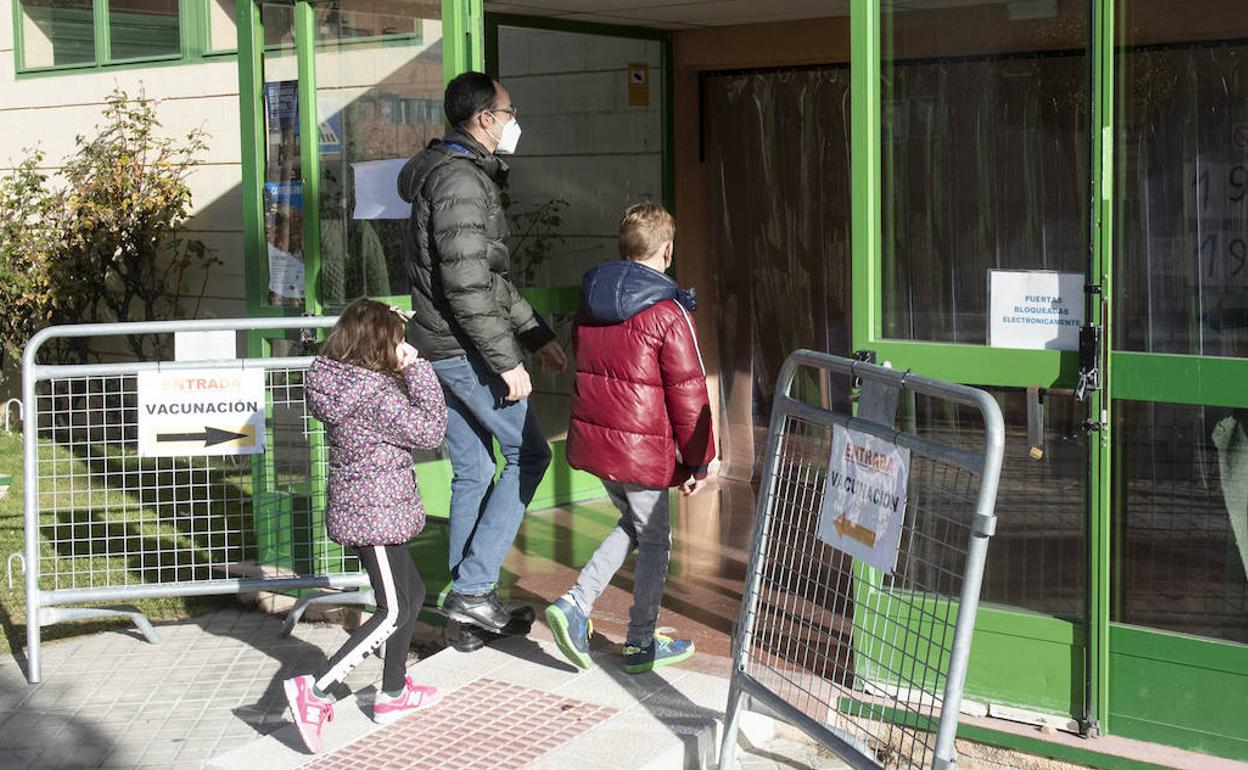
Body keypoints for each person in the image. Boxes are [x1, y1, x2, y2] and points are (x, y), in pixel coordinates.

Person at [398, 71, 567, 633]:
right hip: (461, 350)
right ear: (483, 118)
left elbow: (488, 279)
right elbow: (468, 287)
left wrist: (537, 334)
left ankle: (466, 610)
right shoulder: (462, 182)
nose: (514, 122)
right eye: (509, 111)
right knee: (530, 456)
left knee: (472, 470)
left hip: (439, 348)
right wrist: (507, 361)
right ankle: (472, 588)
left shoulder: (449, 175)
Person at [545, 202, 716, 673]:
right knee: (656, 539)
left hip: (599, 442)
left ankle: (577, 606)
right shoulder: (668, 312)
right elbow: (689, 391)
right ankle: (637, 639)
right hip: (643, 449)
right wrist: (700, 460)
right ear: (667, 251)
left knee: (635, 526)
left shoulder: (590, 303)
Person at [283, 298, 448, 753]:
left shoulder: (343, 380)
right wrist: (418, 368)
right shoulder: (374, 396)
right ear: (379, 344)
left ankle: (393, 691)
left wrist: (391, 320)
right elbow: (431, 430)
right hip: (373, 513)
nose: (402, 348)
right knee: (392, 609)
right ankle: (314, 690)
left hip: (372, 509)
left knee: (411, 595)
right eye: (396, 341)